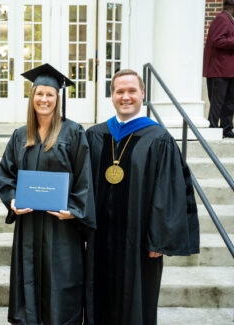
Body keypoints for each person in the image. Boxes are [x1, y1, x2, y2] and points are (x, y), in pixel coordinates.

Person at [84, 69, 200, 325]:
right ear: (111, 95)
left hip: (138, 242)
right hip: (99, 239)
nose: (126, 97)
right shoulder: (95, 135)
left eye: (131, 91)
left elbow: (168, 193)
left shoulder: (159, 139)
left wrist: (158, 240)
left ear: (143, 94)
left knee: (137, 303)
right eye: (119, 91)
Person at [0, 63, 96, 325]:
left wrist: (74, 210)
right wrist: (13, 200)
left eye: (49, 94)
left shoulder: (73, 132)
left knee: (60, 285)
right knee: (28, 282)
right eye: (39, 94)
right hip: (29, 225)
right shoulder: (20, 135)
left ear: (57, 98)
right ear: (32, 97)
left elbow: (84, 175)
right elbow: (5, 175)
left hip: (60, 227)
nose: (44, 99)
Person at [203, 0, 234, 138]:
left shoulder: (229, 20)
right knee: (218, 102)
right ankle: (213, 128)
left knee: (230, 102)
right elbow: (217, 40)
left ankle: (226, 129)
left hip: (229, 69)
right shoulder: (221, 19)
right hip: (219, 69)